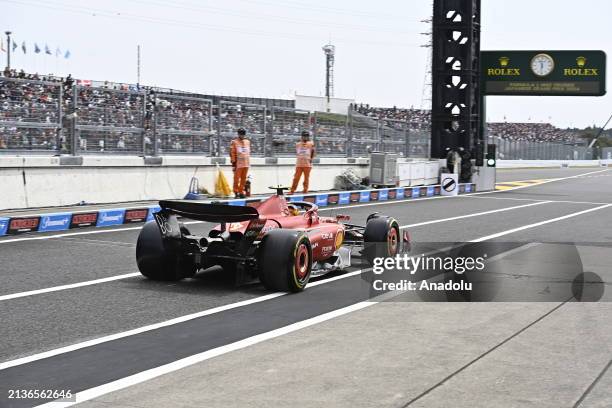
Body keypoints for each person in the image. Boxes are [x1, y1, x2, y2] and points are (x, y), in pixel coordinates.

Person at [230, 128, 251, 198]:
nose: (242, 136)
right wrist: (233, 163)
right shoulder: (234, 142)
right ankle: (236, 192)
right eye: (241, 134)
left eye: (243, 134)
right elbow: (232, 153)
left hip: (246, 163)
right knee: (236, 179)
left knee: (243, 179)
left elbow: (248, 152)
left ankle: (241, 191)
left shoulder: (247, 142)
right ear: (238, 134)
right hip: (238, 164)